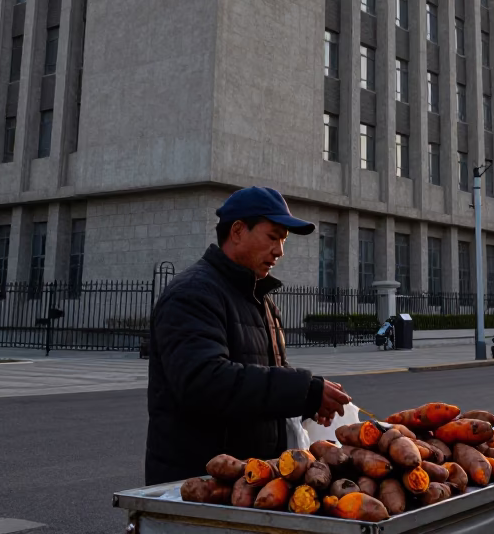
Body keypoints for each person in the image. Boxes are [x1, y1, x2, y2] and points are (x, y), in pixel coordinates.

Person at [145, 187, 352, 485]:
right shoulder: (192, 294)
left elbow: (263, 379)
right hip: (199, 487)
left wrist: (310, 398)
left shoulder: (261, 300)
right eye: (273, 237)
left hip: (253, 483)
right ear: (238, 231)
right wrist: (303, 389)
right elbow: (204, 383)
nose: (280, 251)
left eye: (283, 240)